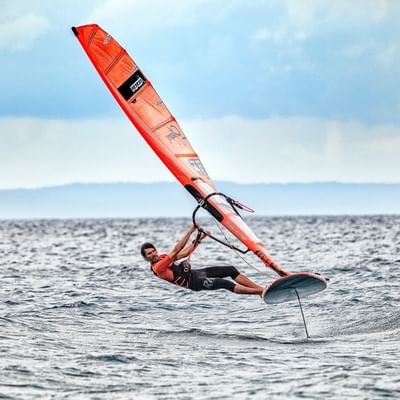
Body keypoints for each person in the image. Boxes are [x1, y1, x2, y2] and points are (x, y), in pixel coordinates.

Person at [141, 224, 264, 296]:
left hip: (197, 273)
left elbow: (184, 253)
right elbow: (177, 248)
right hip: (195, 283)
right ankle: (261, 291)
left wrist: (200, 239)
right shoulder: (158, 268)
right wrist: (190, 231)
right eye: (149, 254)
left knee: (230, 270)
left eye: (153, 251)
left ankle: (260, 289)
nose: (153, 254)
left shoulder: (162, 257)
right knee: (224, 283)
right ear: (146, 258)